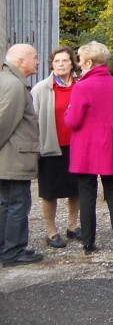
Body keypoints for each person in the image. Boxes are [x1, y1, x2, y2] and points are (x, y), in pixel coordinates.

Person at [64, 41, 113, 253]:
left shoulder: (82, 86)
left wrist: (67, 111)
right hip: (111, 143)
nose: (77, 63)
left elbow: (73, 121)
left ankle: (89, 241)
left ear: (89, 62)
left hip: (86, 146)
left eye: (80, 59)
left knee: (87, 194)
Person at [29, 46, 82, 249]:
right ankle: (51, 231)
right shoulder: (41, 89)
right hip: (51, 146)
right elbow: (32, 120)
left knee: (75, 188)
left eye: (65, 61)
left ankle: (73, 225)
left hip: (76, 146)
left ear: (72, 63)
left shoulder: (80, 86)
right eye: (57, 61)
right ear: (51, 64)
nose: (61, 64)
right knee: (49, 191)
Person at [0, 43, 44, 266]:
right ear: (20, 61)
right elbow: (4, 121)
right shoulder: (14, 85)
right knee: (17, 204)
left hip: (9, 158)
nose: (38, 61)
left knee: (7, 204)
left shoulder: (7, 80)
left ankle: (7, 249)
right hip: (13, 159)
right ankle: (13, 252)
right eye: (34, 57)